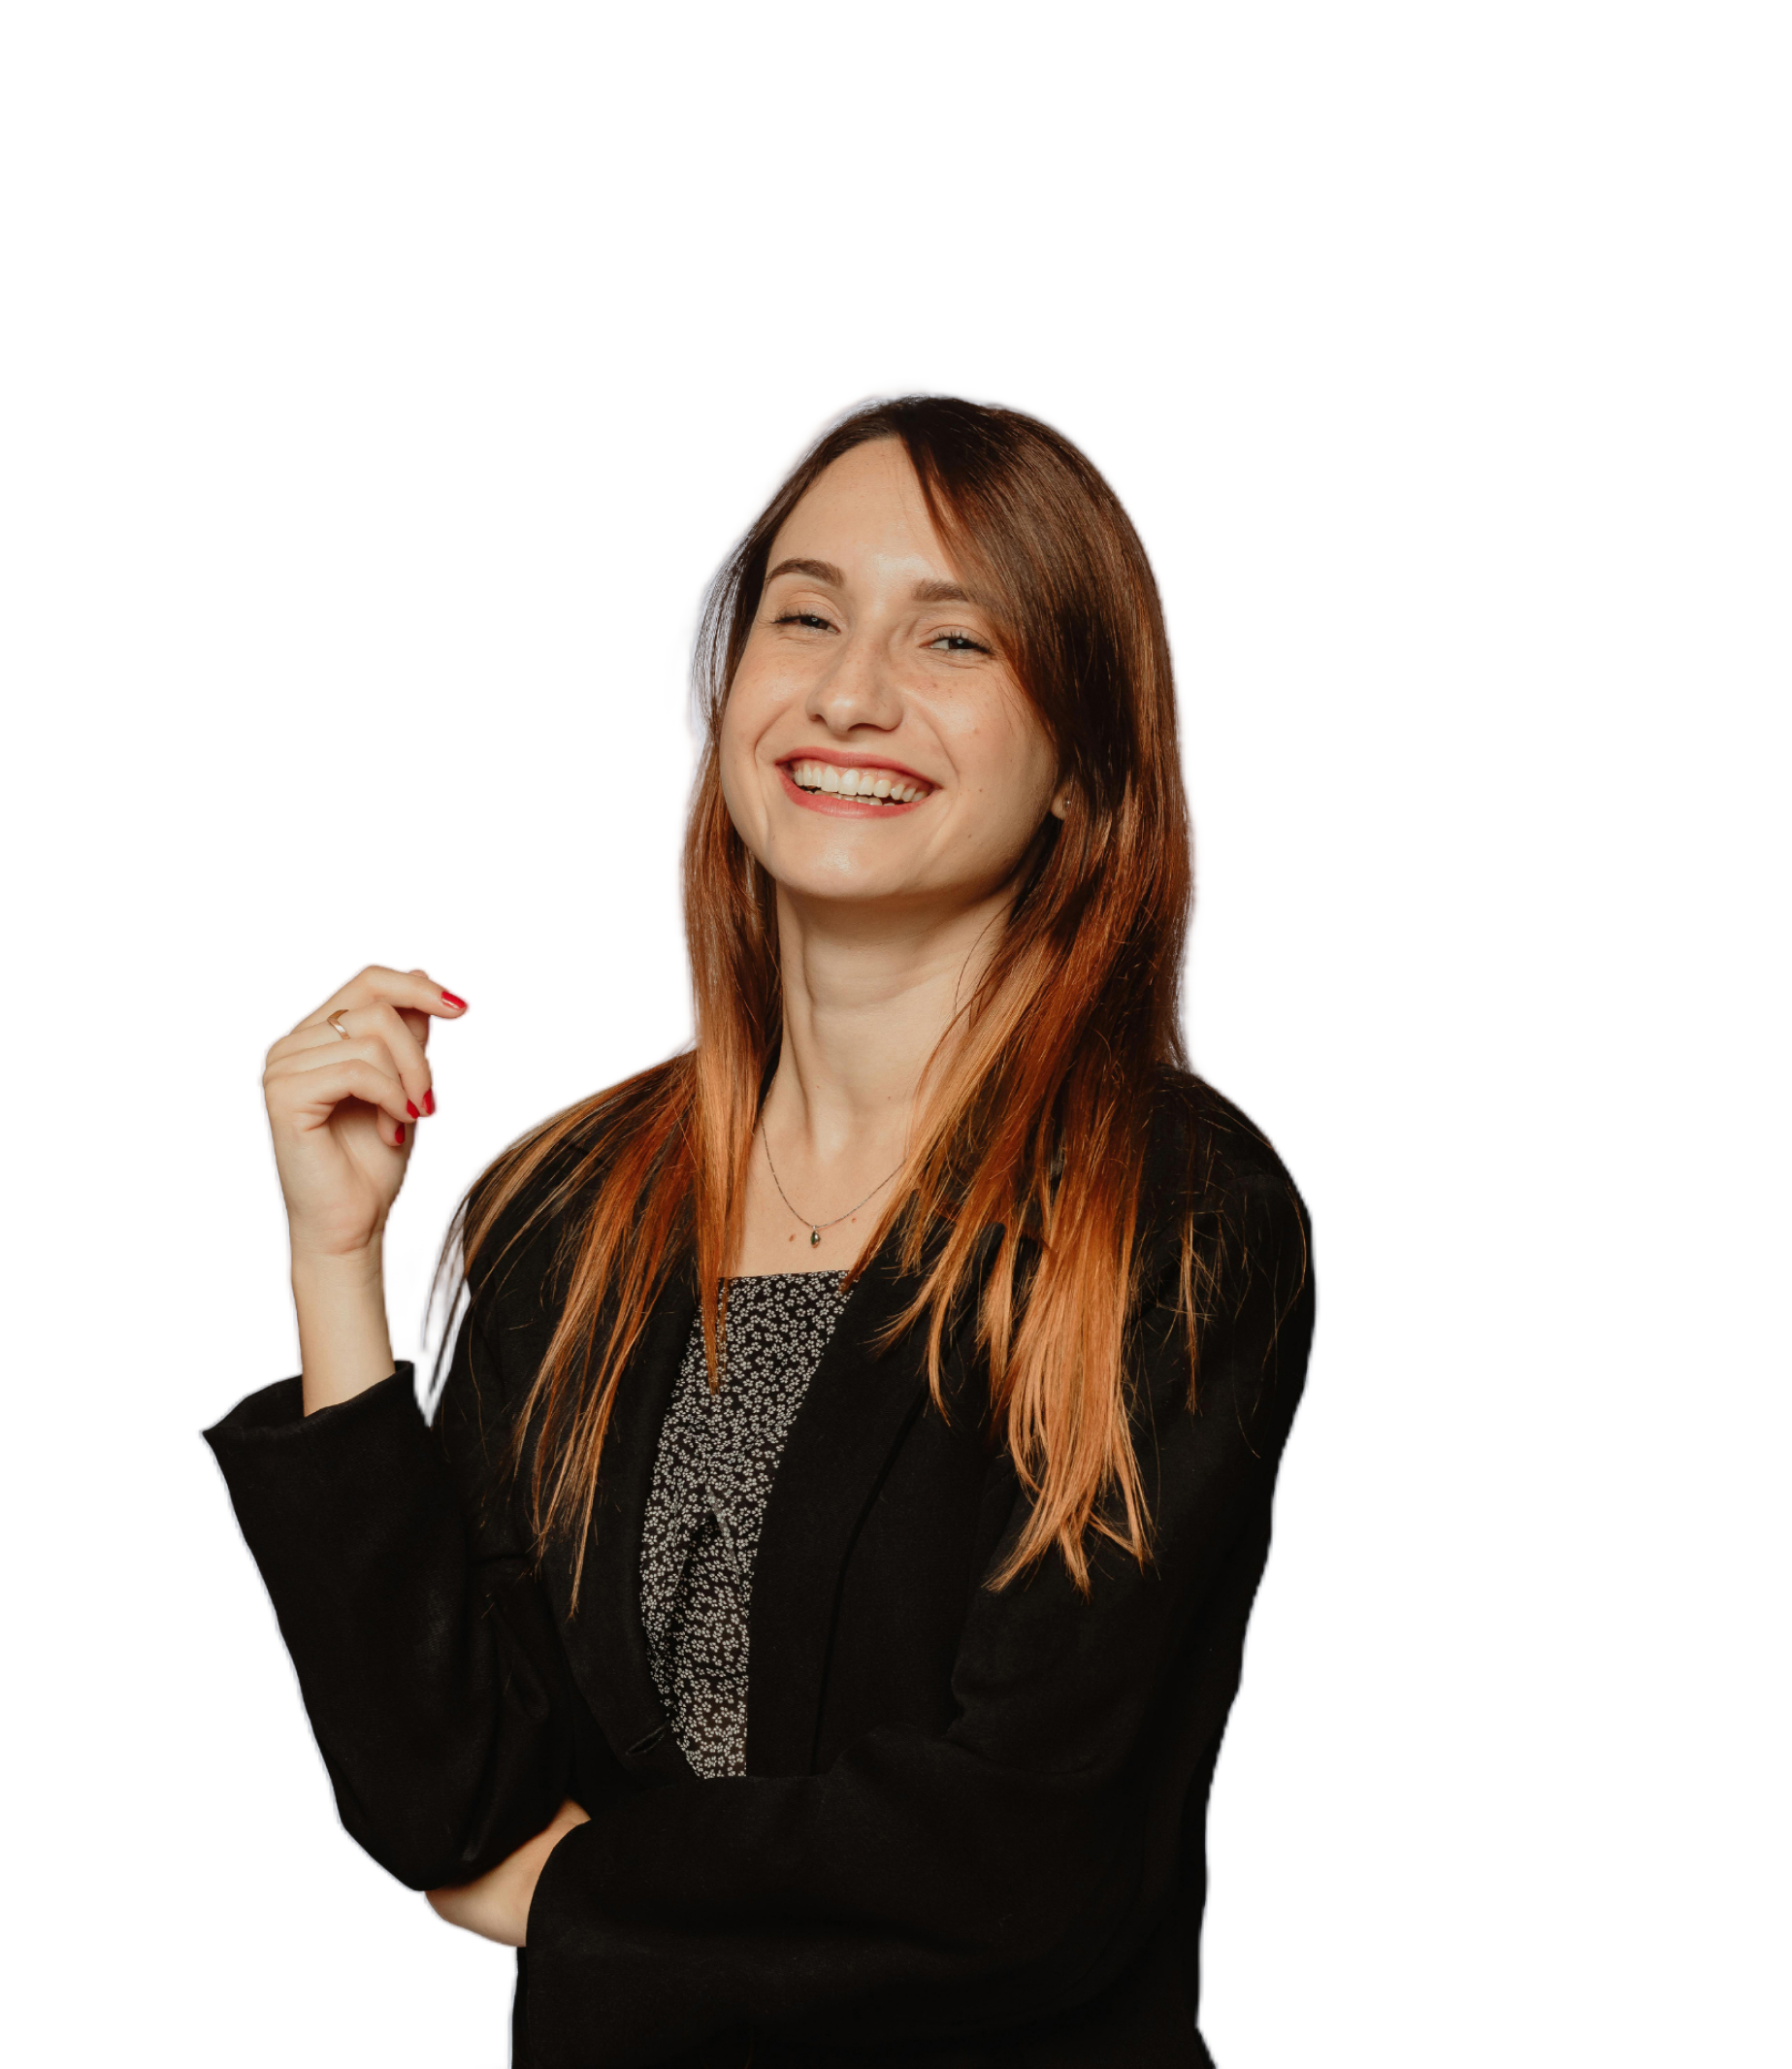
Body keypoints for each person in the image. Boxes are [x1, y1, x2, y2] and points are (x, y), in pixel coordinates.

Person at [209, 396, 1316, 2068]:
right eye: (806, 616)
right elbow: (446, 1798)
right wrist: (339, 1267)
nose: (851, 693)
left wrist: (570, 1893)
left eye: (956, 638)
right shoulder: (566, 1210)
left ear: (1082, 766)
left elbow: (1016, 1863)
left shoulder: (1171, 1212)